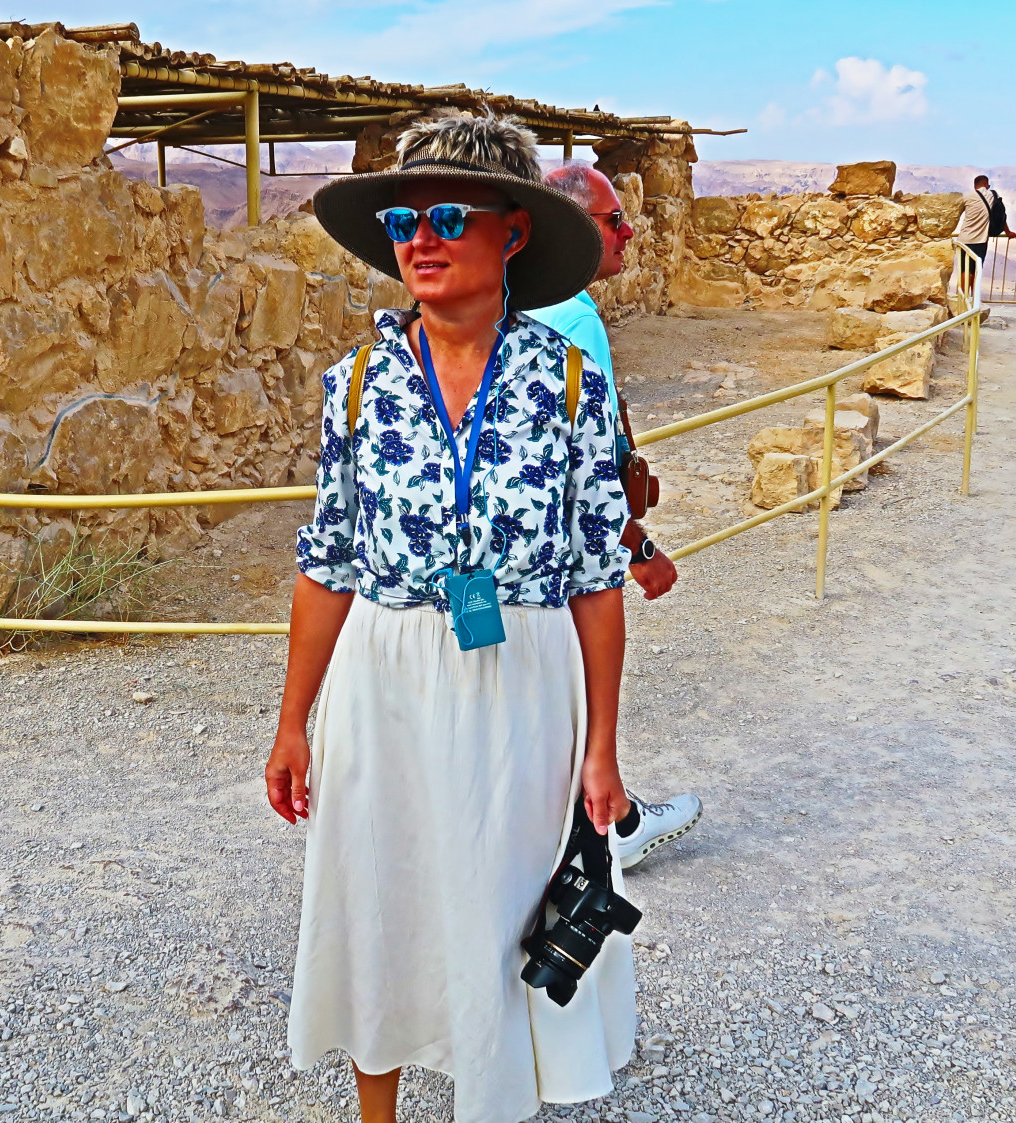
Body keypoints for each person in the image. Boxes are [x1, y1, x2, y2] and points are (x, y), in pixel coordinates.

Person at [267, 112, 637, 1123]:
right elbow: (327, 560)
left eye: (445, 217)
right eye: (400, 219)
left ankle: (492, 1101)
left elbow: (597, 575)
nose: (418, 240)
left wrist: (601, 746)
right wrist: (292, 719)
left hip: (525, 671)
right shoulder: (353, 388)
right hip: (383, 674)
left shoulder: (568, 383)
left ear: (511, 232)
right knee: (376, 887)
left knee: (499, 906)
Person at [530, 162, 703, 871]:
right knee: (579, 682)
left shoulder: (512, 302)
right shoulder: (573, 314)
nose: (629, 231)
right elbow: (591, 455)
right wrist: (639, 544)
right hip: (574, 542)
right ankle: (613, 821)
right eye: (612, 221)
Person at [955, 174, 1016, 293]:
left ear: (975, 186)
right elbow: (1001, 216)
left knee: (965, 270)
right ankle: (974, 300)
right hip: (981, 240)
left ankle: (963, 300)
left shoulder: (967, 196)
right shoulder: (994, 195)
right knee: (976, 270)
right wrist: (1008, 232)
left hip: (965, 239)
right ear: (986, 184)